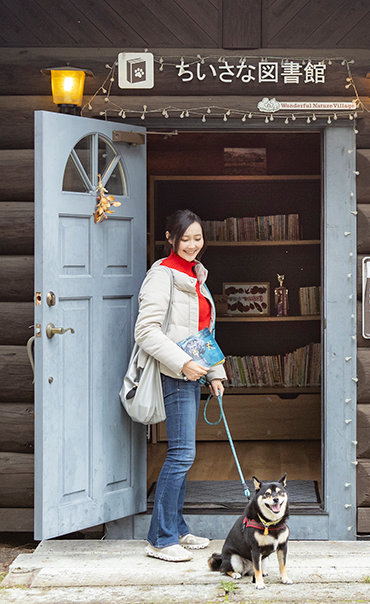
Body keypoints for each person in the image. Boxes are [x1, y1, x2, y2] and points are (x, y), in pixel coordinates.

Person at [134, 208, 226, 562]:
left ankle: (178, 528)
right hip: (172, 375)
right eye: (184, 238)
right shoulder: (162, 275)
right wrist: (184, 364)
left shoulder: (196, 274)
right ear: (170, 239)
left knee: (185, 456)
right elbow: (146, 332)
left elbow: (202, 333)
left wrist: (214, 372)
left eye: (197, 238)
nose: (191, 244)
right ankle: (160, 538)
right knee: (182, 454)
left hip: (192, 373)